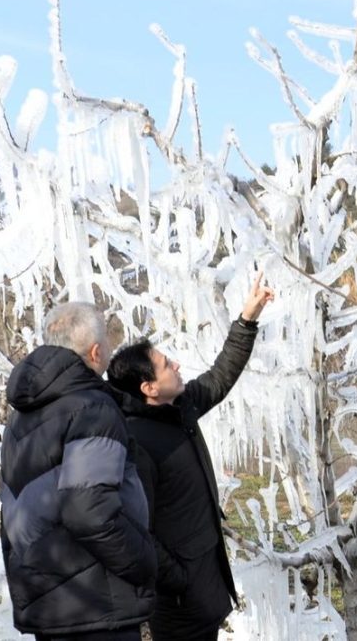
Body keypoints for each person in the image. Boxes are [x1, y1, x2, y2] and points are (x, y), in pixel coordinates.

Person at [107, 273, 274, 641]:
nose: (177, 365)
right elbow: (137, 528)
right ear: (149, 387)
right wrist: (177, 578)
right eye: (166, 365)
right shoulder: (137, 444)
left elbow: (219, 378)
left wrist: (247, 319)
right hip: (179, 598)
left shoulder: (177, 407)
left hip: (204, 577)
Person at [0, 302, 156, 641]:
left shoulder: (25, 410)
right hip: (96, 604)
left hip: (49, 596)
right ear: (96, 352)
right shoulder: (92, 407)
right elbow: (90, 513)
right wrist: (145, 561)